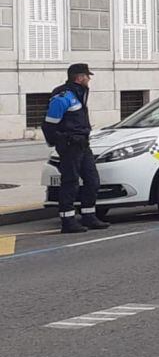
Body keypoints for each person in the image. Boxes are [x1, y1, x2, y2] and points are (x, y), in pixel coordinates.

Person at [42, 64, 108, 234]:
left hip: (83, 144)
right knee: (70, 182)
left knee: (92, 180)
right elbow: (49, 125)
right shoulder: (63, 97)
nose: (89, 79)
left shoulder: (79, 94)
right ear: (79, 78)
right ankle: (67, 220)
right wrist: (60, 143)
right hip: (70, 146)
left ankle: (89, 215)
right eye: (87, 76)